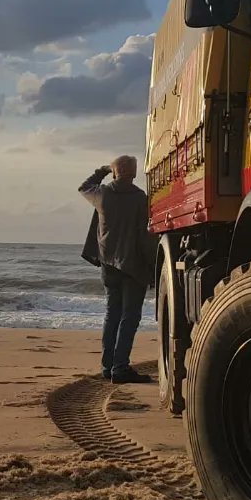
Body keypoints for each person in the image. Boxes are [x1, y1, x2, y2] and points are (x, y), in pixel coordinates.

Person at [79, 156, 154, 384]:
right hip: (133, 265)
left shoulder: (103, 194)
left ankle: (108, 366)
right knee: (129, 317)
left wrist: (102, 170)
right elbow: (145, 236)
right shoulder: (141, 198)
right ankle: (120, 368)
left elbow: (84, 186)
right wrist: (152, 266)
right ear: (133, 173)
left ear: (115, 172)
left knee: (113, 314)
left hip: (109, 264)